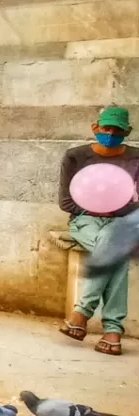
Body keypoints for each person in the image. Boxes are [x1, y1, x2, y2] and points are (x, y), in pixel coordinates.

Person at [59, 106, 139, 355]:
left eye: (117, 130)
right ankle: (112, 330)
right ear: (95, 128)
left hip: (124, 219)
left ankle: (81, 313)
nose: (111, 133)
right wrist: (96, 208)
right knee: (117, 250)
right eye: (106, 128)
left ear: (128, 131)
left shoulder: (136, 158)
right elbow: (66, 202)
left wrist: (114, 210)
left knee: (116, 239)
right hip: (86, 219)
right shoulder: (76, 156)